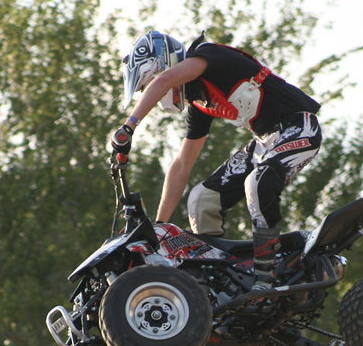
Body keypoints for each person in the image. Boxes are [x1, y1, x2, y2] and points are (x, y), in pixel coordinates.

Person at [110, 30, 322, 290]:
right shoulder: (200, 104)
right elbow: (182, 164)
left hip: (300, 127)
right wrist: (160, 226)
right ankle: (221, 283)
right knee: (201, 199)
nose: (151, 94)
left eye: (147, 85)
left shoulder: (209, 56)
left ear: (162, 66)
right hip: (266, 141)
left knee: (257, 182)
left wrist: (129, 126)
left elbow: (166, 80)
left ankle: (266, 276)